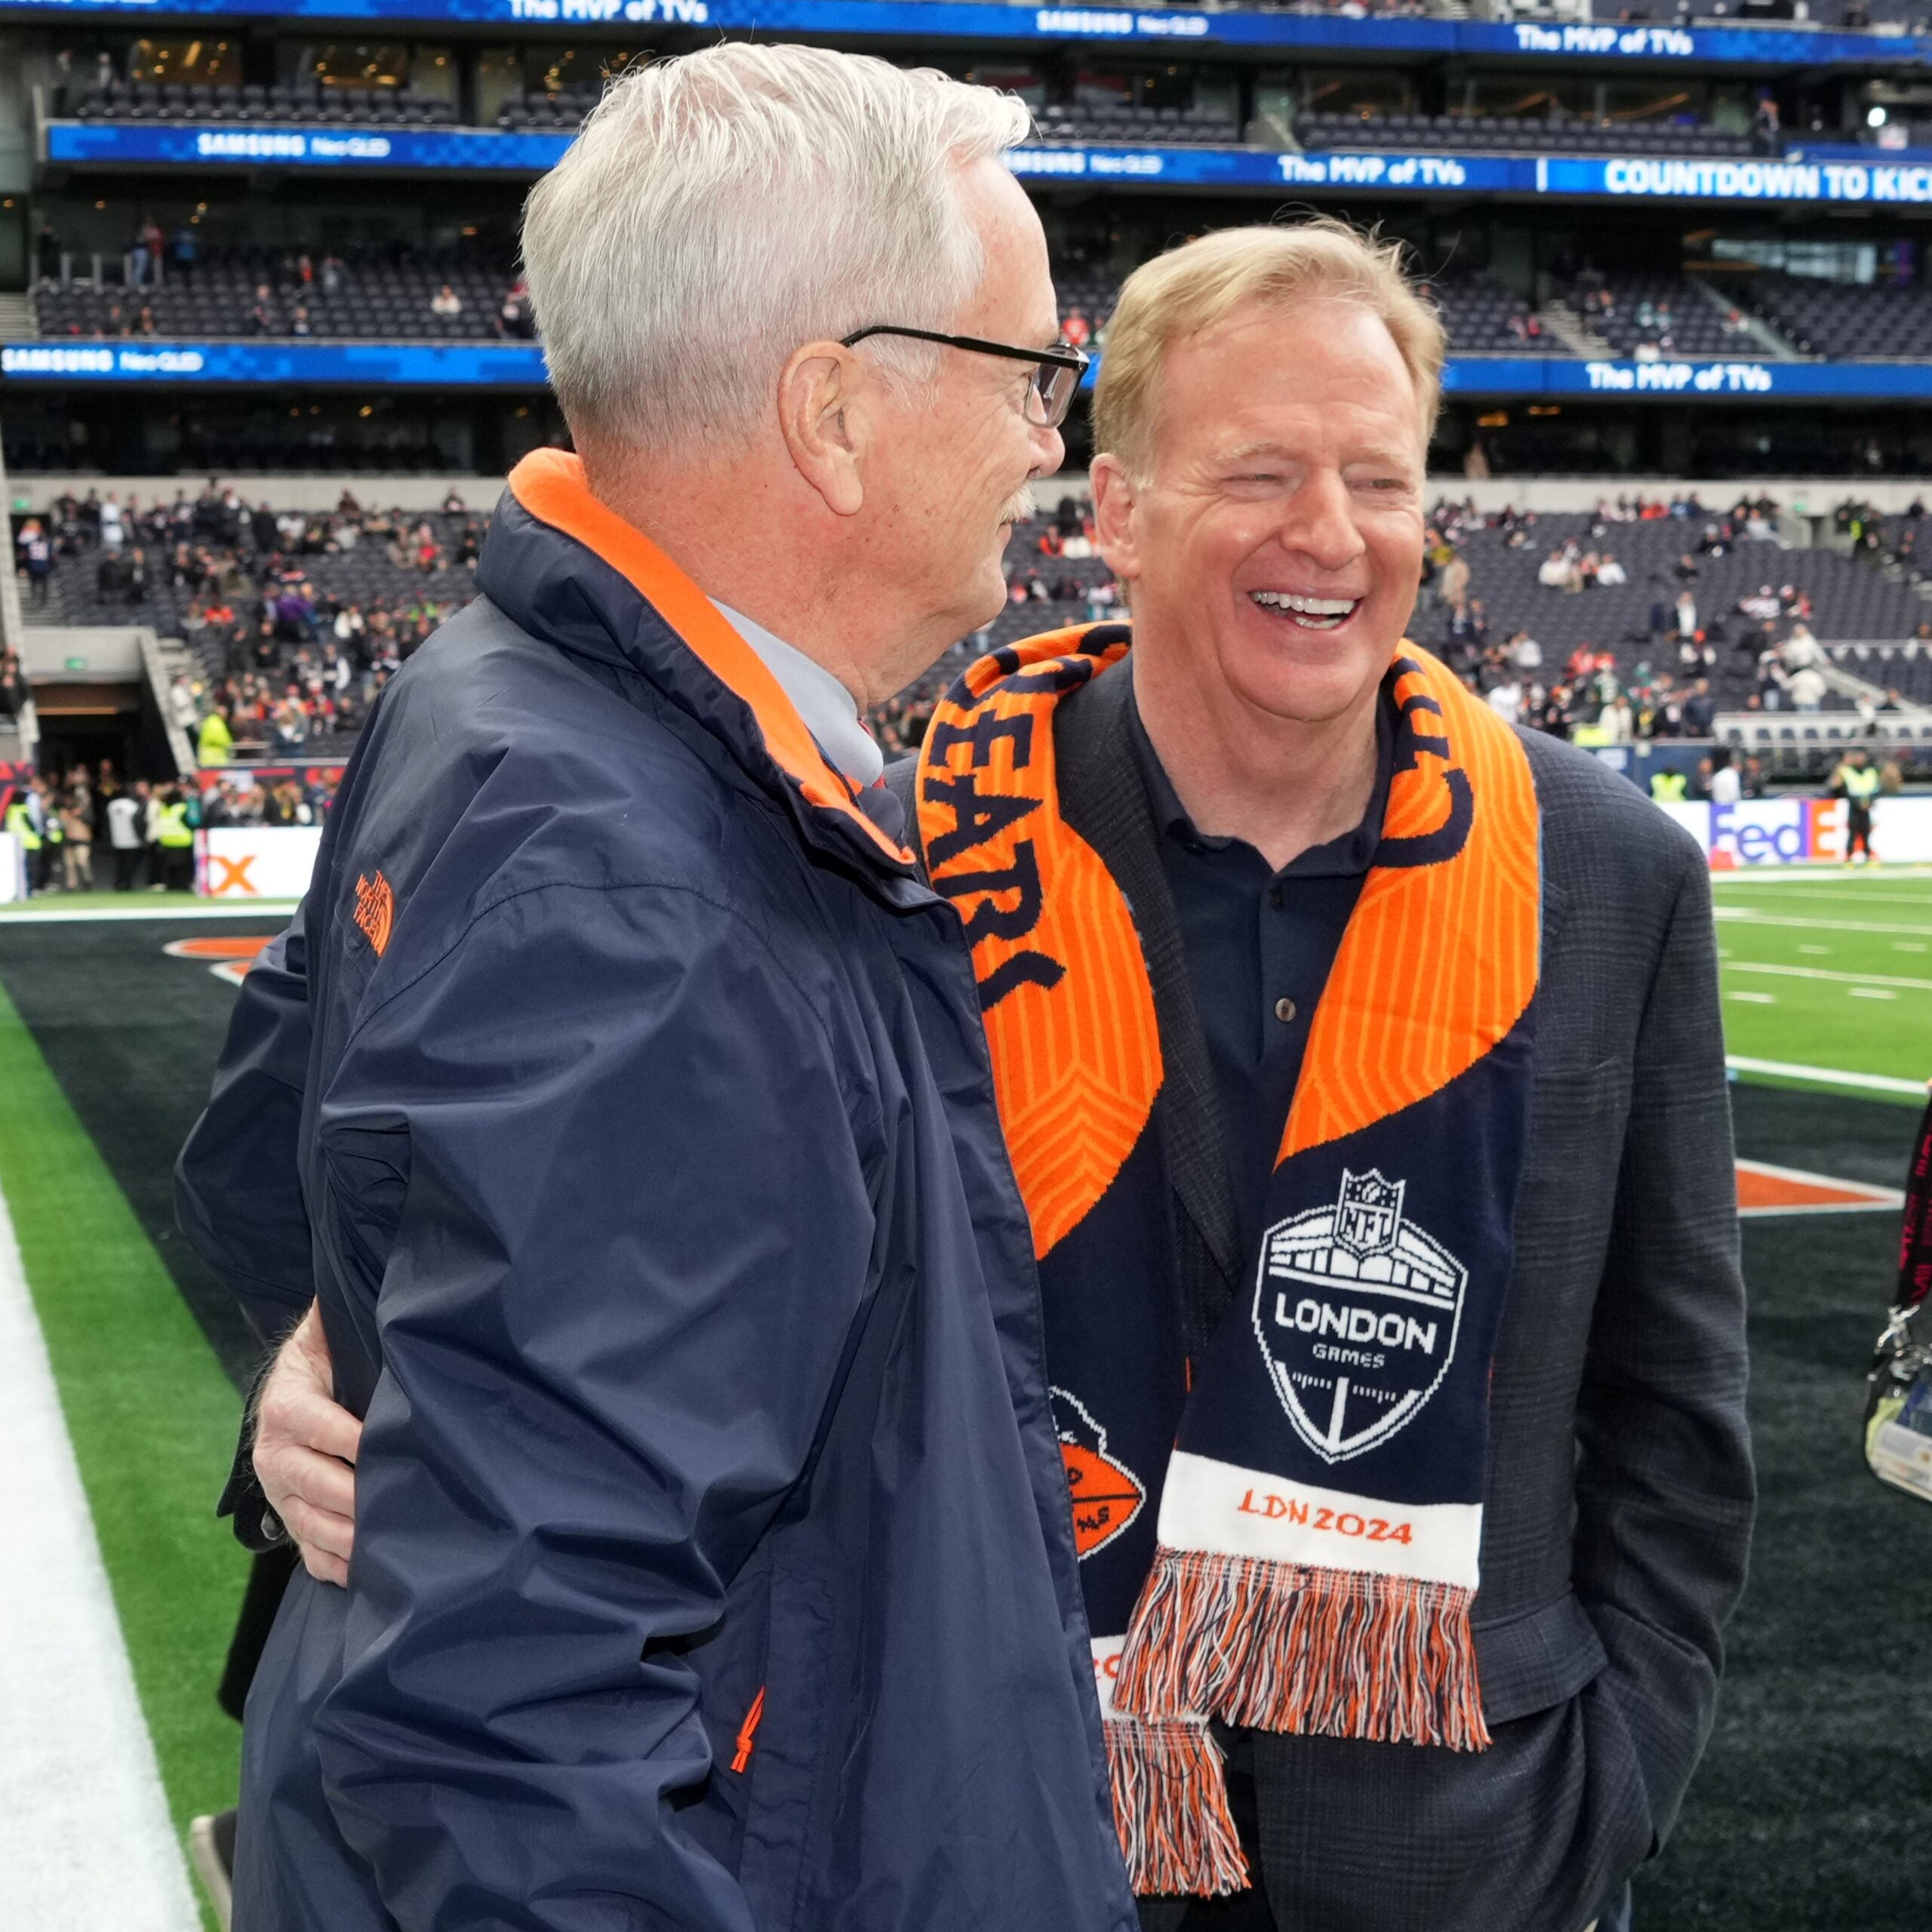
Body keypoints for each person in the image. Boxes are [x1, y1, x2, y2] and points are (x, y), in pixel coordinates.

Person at [253, 219, 1754, 1932]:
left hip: (1470, 1846)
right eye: (1255, 470)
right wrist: (326, 1358)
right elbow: (613, 1271)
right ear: (1108, 509)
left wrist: (1603, 1783)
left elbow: (1672, 1409)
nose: (1326, 533)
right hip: (1006, 1814)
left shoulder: (1605, 866)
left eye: (1376, 475)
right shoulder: (889, 861)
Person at [174, 46, 1134, 1932]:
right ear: (834, 413)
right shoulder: (642, 874)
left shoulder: (496, 693)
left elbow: (256, 1170)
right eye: (1032, 369)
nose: (1050, 436)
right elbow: (508, 1729)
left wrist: (362, 1345)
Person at [1833, 746, 1881, 863]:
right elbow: (1837, 787)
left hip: (1866, 807)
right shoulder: (1847, 771)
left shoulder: (1871, 771)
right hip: (1854, 807)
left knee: (1866, 833)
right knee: (1852, 833)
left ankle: (1868, 856)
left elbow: (1876, 790)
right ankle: (1849, 857)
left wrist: (1870, 802)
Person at [104, 780, 143, 889]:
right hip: (132, 839)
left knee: (120, 863)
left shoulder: (112, 805)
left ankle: (118, 882)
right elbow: (138, 822)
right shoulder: (133, 806)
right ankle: (127, 883)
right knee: (130, 864)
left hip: (117, 838)